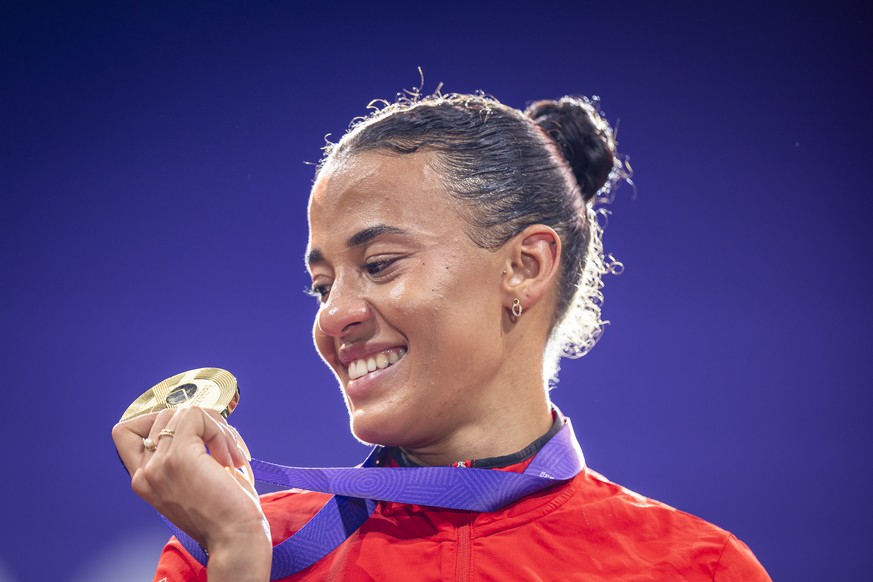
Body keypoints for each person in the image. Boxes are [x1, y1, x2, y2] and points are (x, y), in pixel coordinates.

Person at [113, 92, 771, 581]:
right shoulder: (235, 545)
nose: (333, 316)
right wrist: (236, 554)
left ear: (525, 266)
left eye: (379, 265)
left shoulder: (696, 568)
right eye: (322, 285)